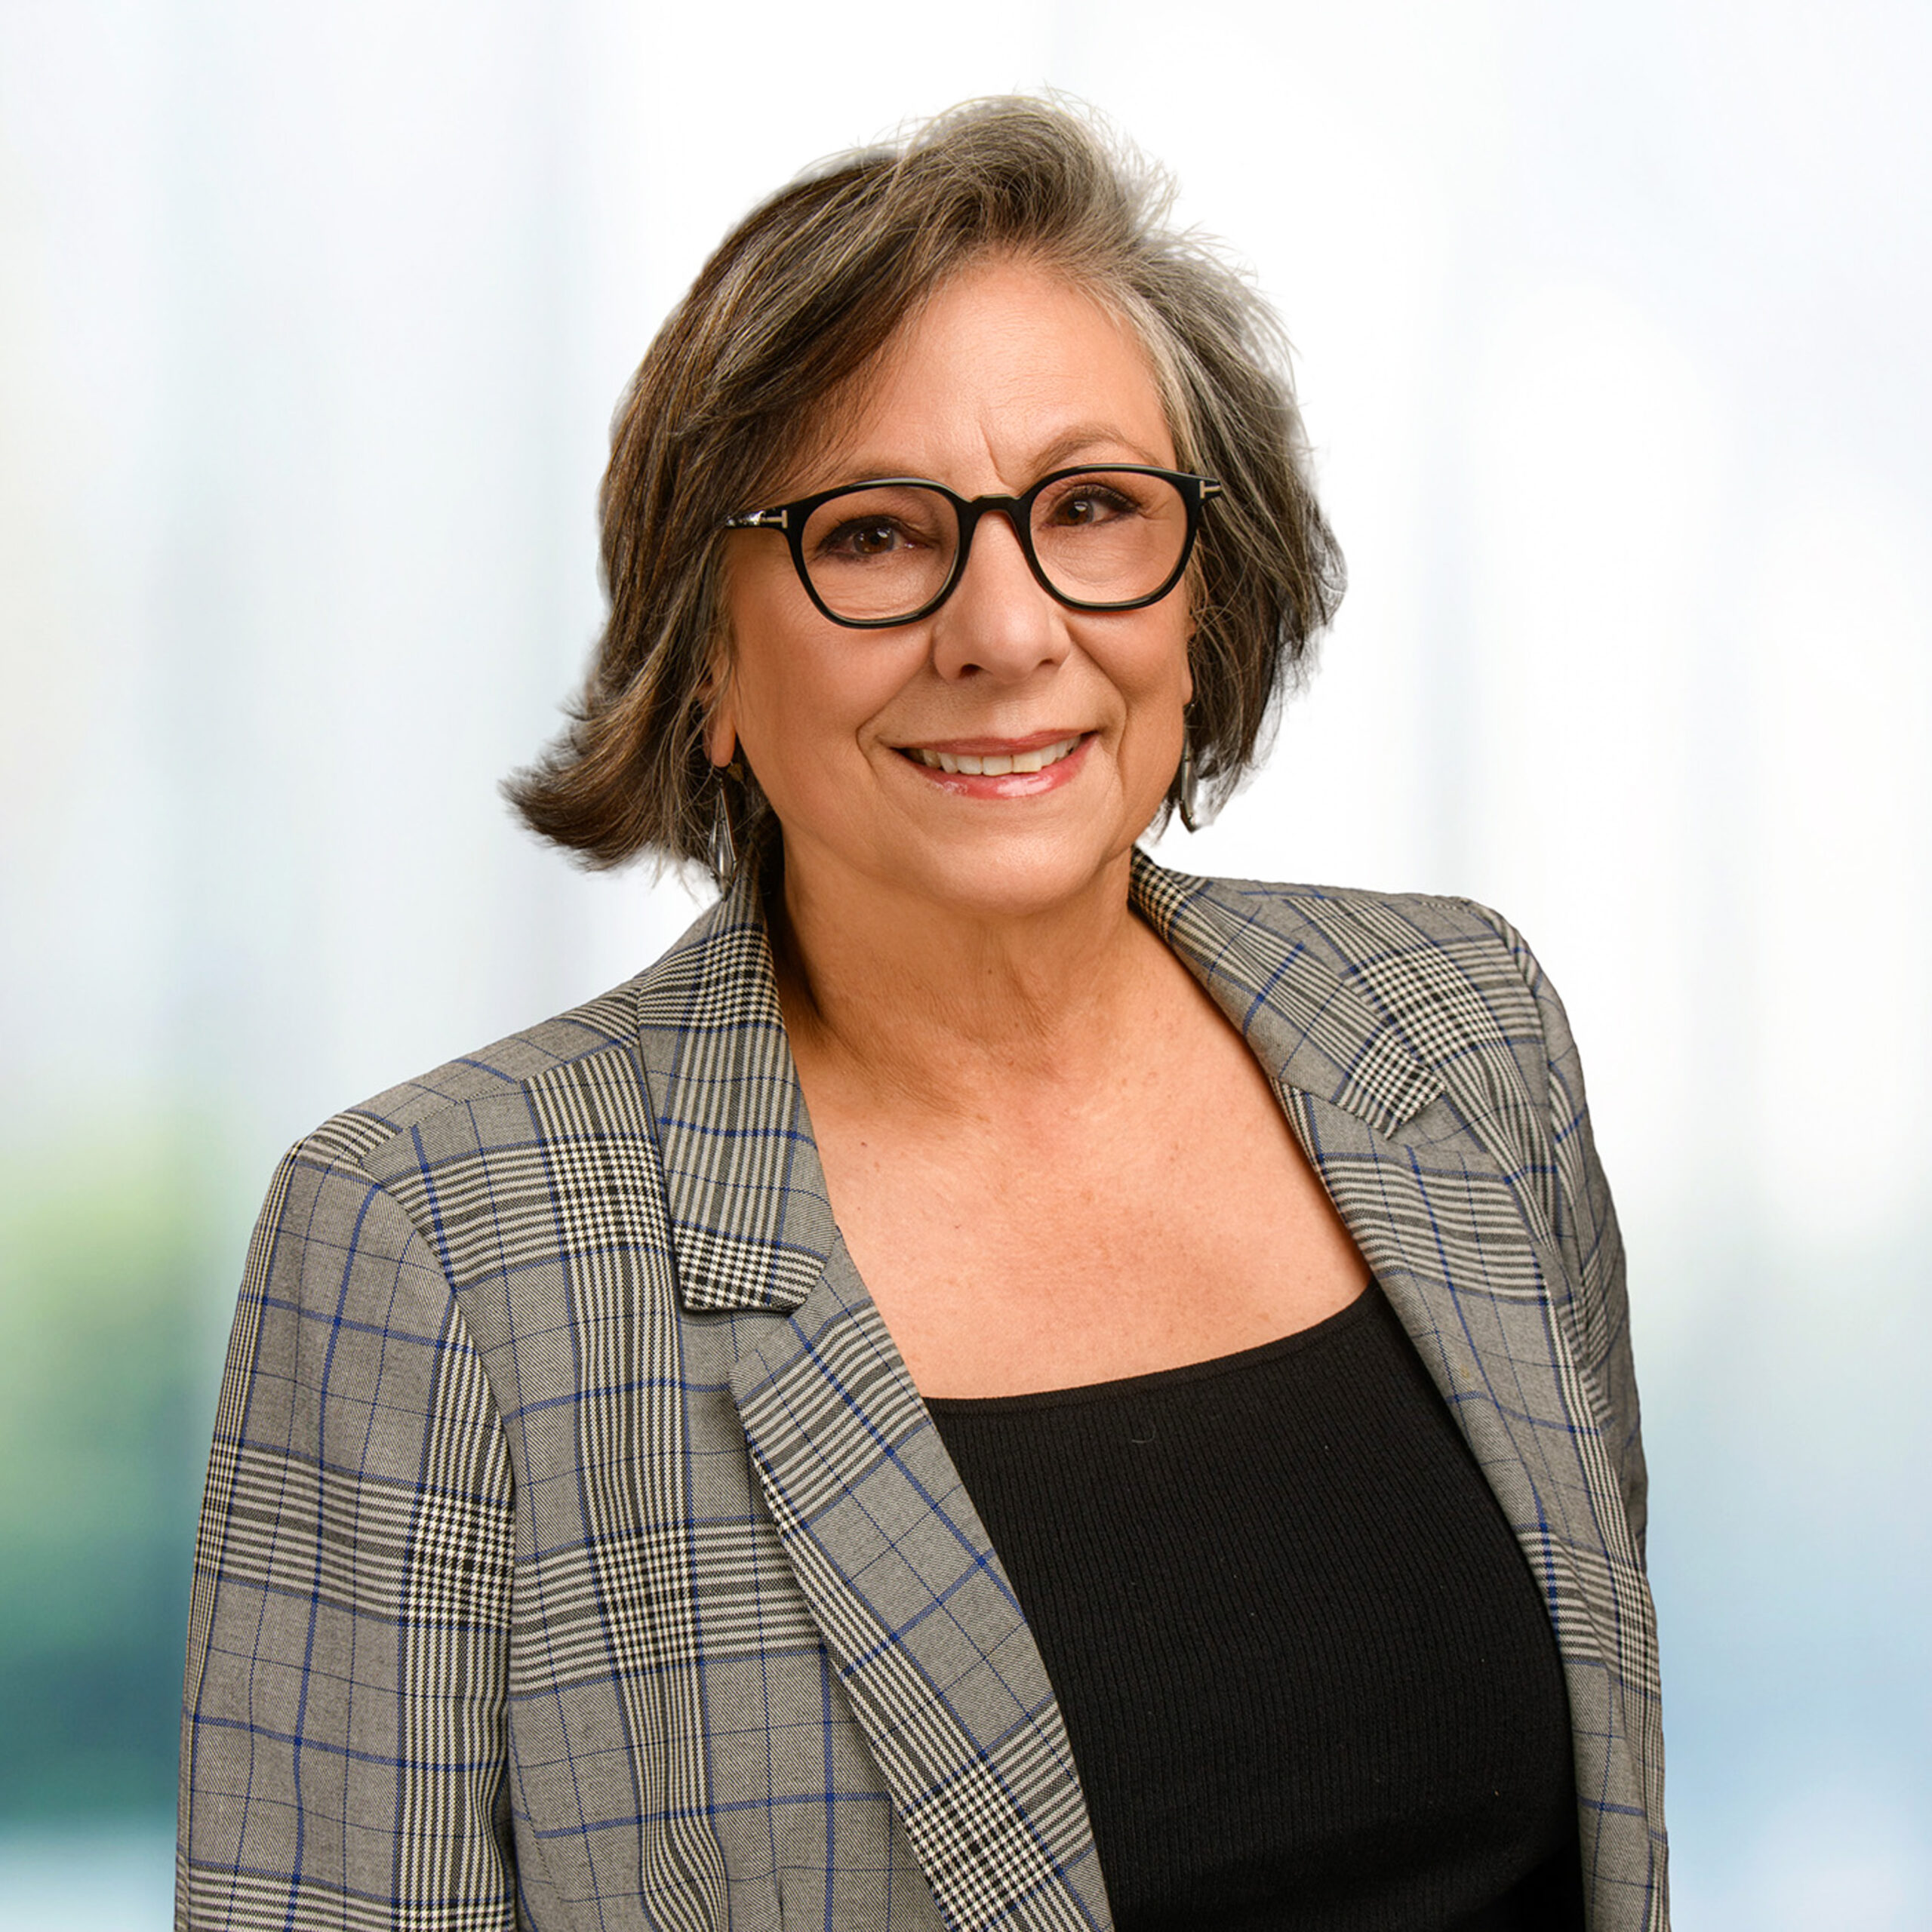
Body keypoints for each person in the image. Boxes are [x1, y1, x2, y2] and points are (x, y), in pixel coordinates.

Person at [177, 100, 1666, 1932]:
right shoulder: (436, 1249)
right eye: (874, 536)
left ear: (1203, 598)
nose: (1004, 624)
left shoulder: (1457, 1040)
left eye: (1092, 508)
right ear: (703, 659)